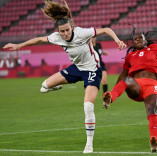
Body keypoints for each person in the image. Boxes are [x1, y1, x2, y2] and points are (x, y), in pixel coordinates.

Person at [3, 0, 126, 153]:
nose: (65, 34)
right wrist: (18, 46)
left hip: (92, 70)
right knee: (44, 86)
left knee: (87, 106)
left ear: (72, 27)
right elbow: (40, 39)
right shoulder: (57, 37)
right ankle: (57, 87)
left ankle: (89, 144)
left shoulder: (82, 33)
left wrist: (117, 40)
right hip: (76, 69)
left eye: (67, 30)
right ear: (59, 31)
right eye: (62, 31)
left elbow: (106, 29)